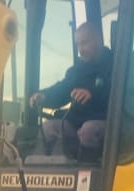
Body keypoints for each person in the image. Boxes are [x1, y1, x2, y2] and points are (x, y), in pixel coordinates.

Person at [28, 22, 112, 160]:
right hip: (76, 122)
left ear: (98, 40)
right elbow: (62, 89)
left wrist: (92, 93)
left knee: (87, 130)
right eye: (78, 44)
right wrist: (43, 96)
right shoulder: (77, 71)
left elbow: (116, 92)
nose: (80, 49)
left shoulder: (115, 65)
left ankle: (87, 173)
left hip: (107, 123)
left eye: (84, 43)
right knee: (48, 128)